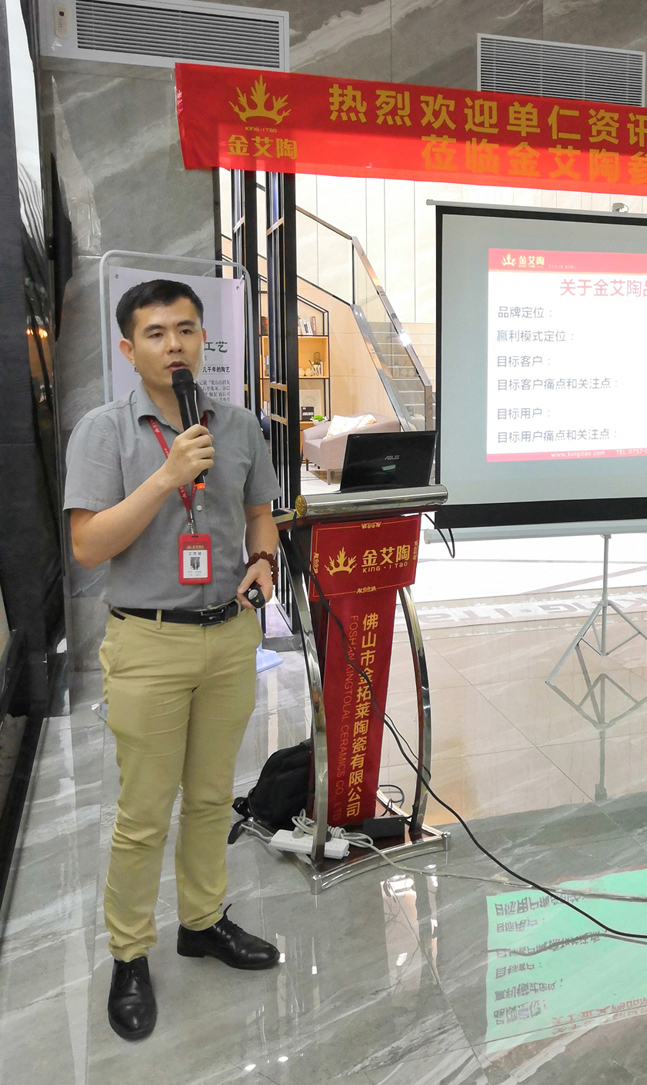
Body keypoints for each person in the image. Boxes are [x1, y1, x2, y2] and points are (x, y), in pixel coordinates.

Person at [64, 279, 282, 1041]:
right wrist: (166, 476)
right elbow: (88, 545)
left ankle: (202, 920)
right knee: (144, 811)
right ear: (130, 349)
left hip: (228, 635)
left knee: (213, 796)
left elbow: (260, 511)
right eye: (156, 333)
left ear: (202, 340)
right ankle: (129, 953)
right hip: (148, 640)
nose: (175, 344)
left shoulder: (240, 425)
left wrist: (263, 559)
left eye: (186, 329)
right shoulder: (103, 431)